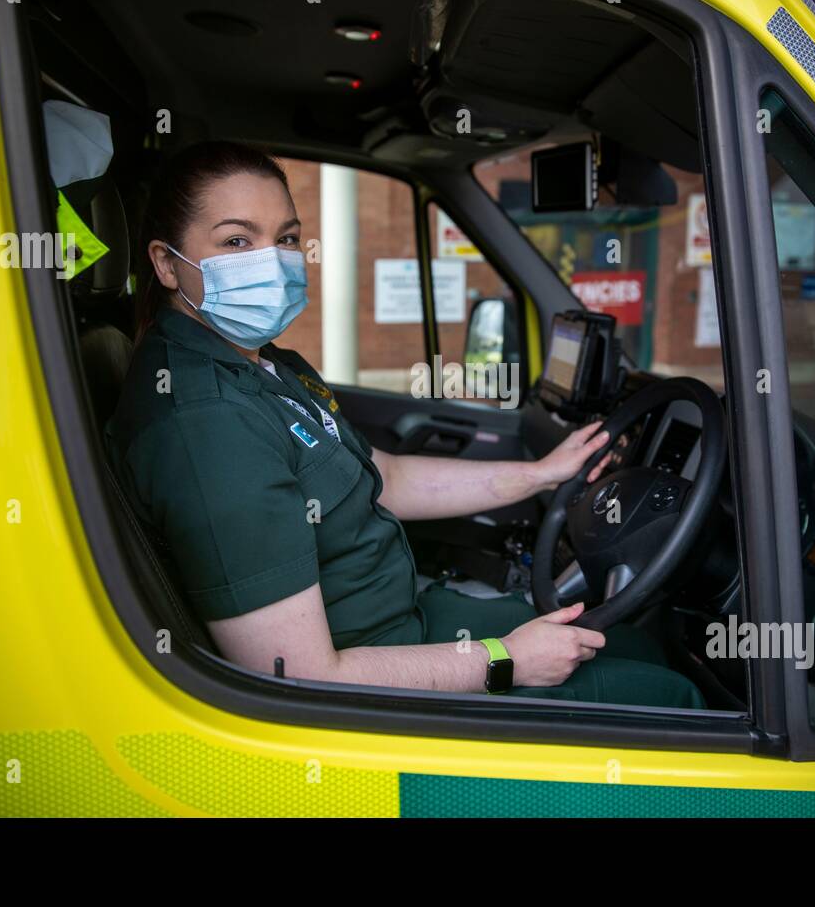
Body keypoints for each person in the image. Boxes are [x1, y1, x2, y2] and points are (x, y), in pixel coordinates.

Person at [106, 140, 704, 708]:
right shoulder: (207, 427)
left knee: (633, 642)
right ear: (166, 263)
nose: (272, 260)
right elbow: (302, 678)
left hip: (407, 619)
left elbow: (383, 476)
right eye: (237, 241)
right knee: (675, 698)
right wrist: (507, 661)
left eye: (286, 238)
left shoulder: (264, 363)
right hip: (375, 686)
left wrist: (542, 474)